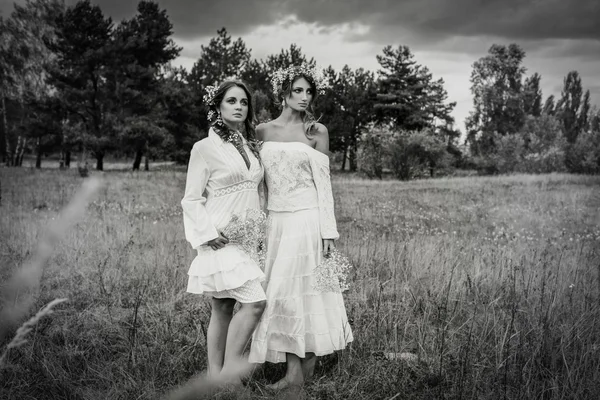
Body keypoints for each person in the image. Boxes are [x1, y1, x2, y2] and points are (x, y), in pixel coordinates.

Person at [248, 65, 353, 389]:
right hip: (277, 222)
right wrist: (256, 229)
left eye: (309, 92)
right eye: (298, 90)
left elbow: (325, 185)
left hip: (307, 220)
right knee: (280, 294)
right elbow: (257, 183)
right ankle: (297, 373)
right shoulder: (262, 131)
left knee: (304, 293)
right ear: (283, 92)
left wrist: (328, 232)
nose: (304, 97)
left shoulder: (316, 132)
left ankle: (295, 376)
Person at [181, 80, 266, 383]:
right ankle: (229, 378)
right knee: (255, 303)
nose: (239, 107)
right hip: (221, 239)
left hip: (249, 239)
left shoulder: (249, 145)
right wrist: (206, 234)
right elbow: (191, 198)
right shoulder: (203, 149)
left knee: (223, 306)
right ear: (217, 107)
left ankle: (214, 377)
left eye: (244, 102)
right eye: (232, 101)